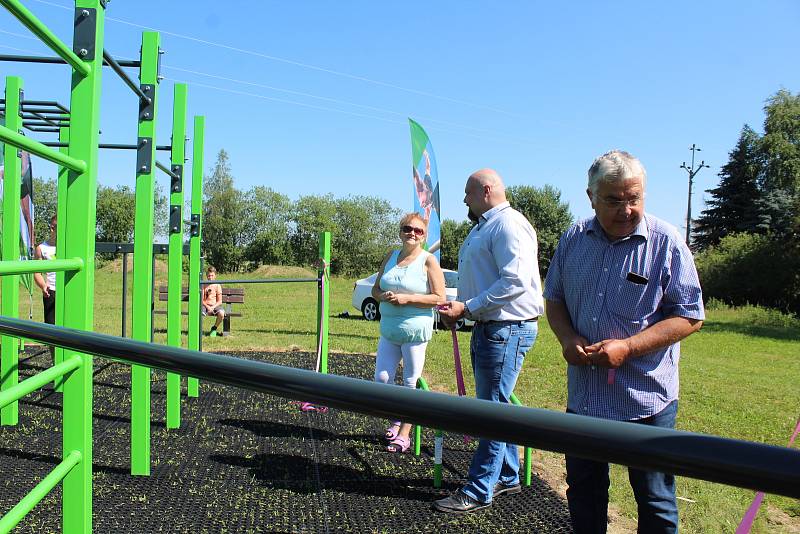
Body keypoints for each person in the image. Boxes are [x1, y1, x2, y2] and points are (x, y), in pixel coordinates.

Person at [543, 150, 704, 534]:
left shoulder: (666, 242)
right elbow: (555, 299)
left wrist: (628, 347)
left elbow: (690, 315)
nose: (627, 209)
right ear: (590, 196)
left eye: (635, 198)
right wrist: (567, 338)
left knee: (655, 501)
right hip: (586, 398)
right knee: (583, 492)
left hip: (646, 399)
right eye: (614, 200)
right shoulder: (573, 238)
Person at [435, 168, 543, 513]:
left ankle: (479, 489)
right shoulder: (485, 226)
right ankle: (508, 474)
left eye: (467, 193)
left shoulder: (508, 225)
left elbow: (516, 281)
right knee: (497, 405)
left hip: (506, 328)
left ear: (486, 189)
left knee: (490, 413)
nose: (464, 200)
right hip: (492, 328)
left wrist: (468, 306)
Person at [372, 213, 446, 453]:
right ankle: (395, 418)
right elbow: (375, 289)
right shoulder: (391, 256)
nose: (412, 233)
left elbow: (439, 298)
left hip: (415, 332)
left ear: (424, 236)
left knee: (410, 383)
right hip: (389, 330)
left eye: (418, 230)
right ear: (400, 231)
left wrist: (407, 299)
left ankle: (405, 433)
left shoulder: (428, 261)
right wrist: (382, 296)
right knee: (382, 380)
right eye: (407, 229)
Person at [34, 216, 57, 357]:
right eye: (53, 227)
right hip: (51, 292)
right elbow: (36, 272)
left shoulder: (70, 247)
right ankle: (56, 364)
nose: (53, 230)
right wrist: (43, 285)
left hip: (68, 291)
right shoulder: (42, 248)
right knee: (51, 332)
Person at [202, 266, 225, 337]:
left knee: (221, 313)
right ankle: (199, 331)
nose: (210, 277)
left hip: (215, 306)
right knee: (200, 314)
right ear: (206, 276)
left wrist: (212, 307)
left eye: (212, 275)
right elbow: (201, 300)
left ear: (215, 276)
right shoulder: (203, 285)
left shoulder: (217, 285)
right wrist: (207, 307)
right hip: (205, 305)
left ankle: (214, 328)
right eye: (209, 275)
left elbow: (220, 301)